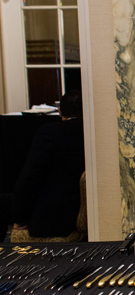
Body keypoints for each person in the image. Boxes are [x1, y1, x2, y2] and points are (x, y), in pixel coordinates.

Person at [11, 90, 86, 238]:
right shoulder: (94, 132)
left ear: (60, 111)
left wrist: (19, 217)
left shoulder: (50, 133)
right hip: (83, 211)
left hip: (55, 217)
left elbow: (30, 178)